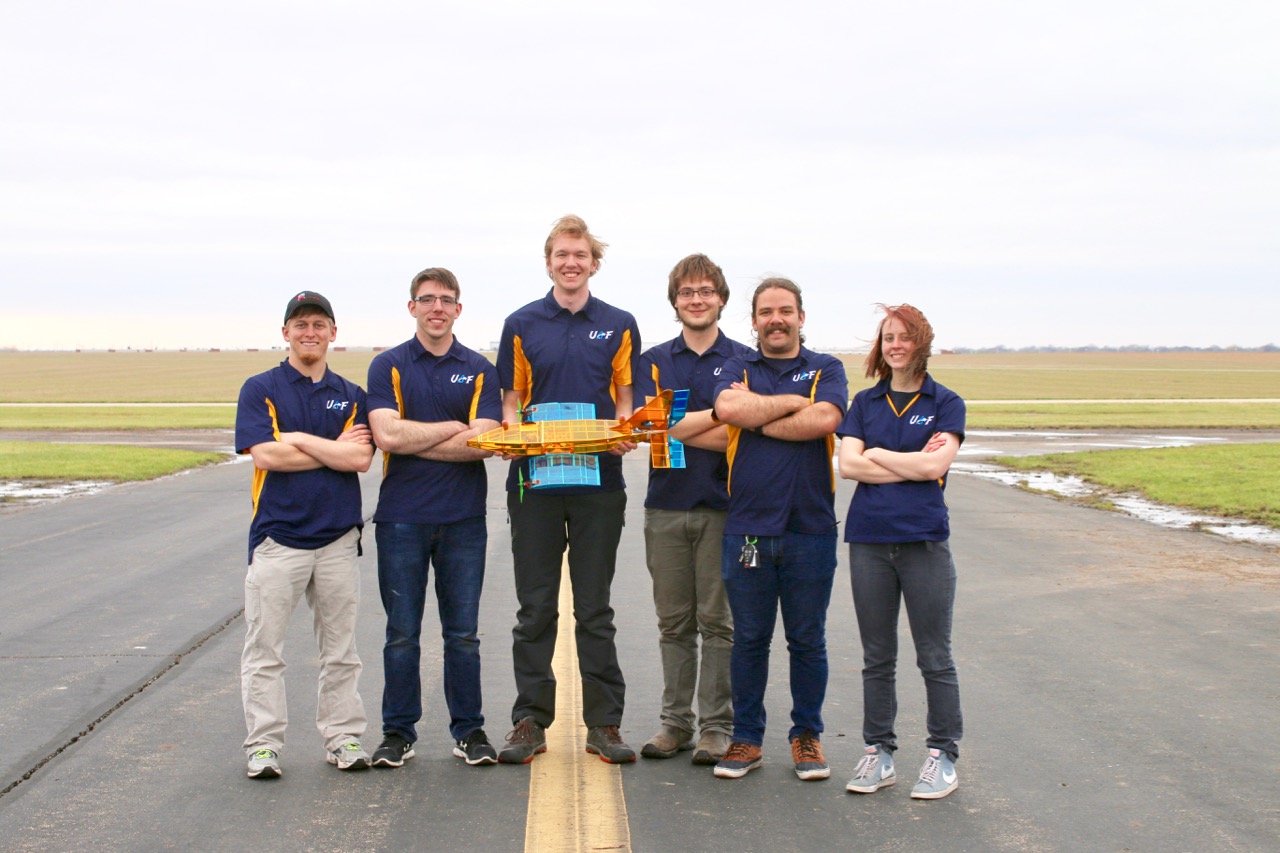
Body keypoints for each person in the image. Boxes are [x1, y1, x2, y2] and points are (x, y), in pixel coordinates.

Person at [495, 214, 642, 765]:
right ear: (549, 261)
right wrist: (512, 438)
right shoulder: (521, 323)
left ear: (593, 263)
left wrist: (622, 434)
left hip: (599, 481)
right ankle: (530, 721)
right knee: (534, 609)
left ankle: (604, 723)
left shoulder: (620, 323)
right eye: (561, 254)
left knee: (594, 609)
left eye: (580, 254)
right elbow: (510, 402)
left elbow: (625, 398)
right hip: (534, 482)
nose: (571, 262)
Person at [709, 277, 848, 781]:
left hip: (810, 528)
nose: (776, 319)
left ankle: (806, 738)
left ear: (801, 318)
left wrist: (760, 414)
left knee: (807, 640)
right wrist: (793, 402)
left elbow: (826, 418)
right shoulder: (736, 366)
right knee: (748, 639)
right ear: (754, 320)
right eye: (766, 311)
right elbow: (727, 408)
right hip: (747, 529)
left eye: (785, 310)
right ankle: (745, 739)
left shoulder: (826, 368)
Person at [365, 268, 503, 769]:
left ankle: (470, 731)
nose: (437, 308)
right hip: (401, 519)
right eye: (427, 299)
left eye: (447, 300)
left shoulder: (481, 368)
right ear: (412, 307)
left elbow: (482, 443)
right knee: (401, 633)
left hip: (464, 520)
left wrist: (416, 437)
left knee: (462, 634)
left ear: (458, 309)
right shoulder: (388, 366)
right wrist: (452, 427)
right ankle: (397, 733)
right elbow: (388, 437)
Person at [235, 291, 375, 779]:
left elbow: (358, 459)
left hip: (337, 540)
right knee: (265, 649)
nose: (309, 332)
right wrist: (330, 447)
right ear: (286, 333)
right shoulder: (261, 388)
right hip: (278, 539)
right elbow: (267, 456)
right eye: (300, 325)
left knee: (340, 651)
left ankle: (343, 738)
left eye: (319, 324)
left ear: (333, 332)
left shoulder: (352, 395)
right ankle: (264, 746)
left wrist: (298, 438)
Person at [837, 303, 965, 799]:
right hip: (869, 542)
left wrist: (877, 453)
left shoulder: (947, 402)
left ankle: (942, 756)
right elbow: (847, 466)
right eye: (887, 337)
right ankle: (878, 753)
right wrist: (909, 461)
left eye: (904, 337)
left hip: (924, 542)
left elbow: (936, 469)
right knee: (877, 656)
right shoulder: (865, 403)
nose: (895, 345)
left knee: (935, 655)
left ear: (921, 342)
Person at [633, 254, 751, 765]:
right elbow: (653, 427)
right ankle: (674, 724)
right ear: (675, 301)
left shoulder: (747, 360)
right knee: (674, 623)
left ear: (721, 298)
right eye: (687, 293)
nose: (696, 300)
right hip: (665, 506)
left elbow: (742, 433)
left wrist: (688, 422)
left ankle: (716, 728)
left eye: (705, 291)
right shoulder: (653, 360)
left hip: (728, 507)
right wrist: (722, 412)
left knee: (718, 623)